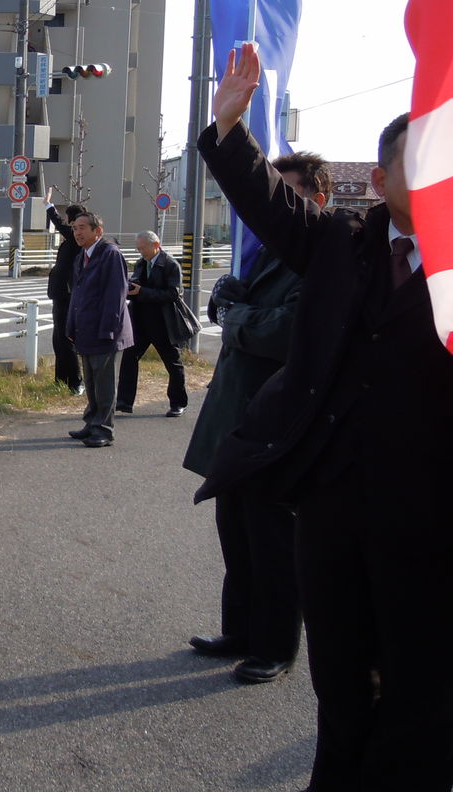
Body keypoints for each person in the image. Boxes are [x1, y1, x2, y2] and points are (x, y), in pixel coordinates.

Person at [196, 43, 453, 789]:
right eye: (424, 159)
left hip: (431, 514)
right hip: (333, 503)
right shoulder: (341, 245)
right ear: (378, 180)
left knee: (422, 689)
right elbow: (268, 204)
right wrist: (229, 125)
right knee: (338, 675)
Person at [182, 152, 331, 686]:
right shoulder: (268, 251)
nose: (271, 211)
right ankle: (240, 630)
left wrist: (234, 314)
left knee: (272, 541)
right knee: (236, 532)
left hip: (278, 424)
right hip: (239, 415)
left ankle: (275, 646)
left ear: (315, 200)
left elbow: (288, 328)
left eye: (283, 197)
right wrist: (228, 297)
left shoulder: (322, 258)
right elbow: (247, 312)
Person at [64, 210, 134, 448]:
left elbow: (116, 296)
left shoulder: (110, 255)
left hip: (106, 333)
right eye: (74, 228)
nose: (77, 232)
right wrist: (71, 325)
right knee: (92, 382)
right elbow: (77, 295)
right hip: (86, 331)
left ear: (98, 231)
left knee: (105, 384)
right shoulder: (82, 256)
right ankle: (92, 422)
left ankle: (104, 429)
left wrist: (108, 330)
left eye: (83, 227)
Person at [116, 230, 191, 417]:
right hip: (140, 320)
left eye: (143, 248)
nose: (140, 251)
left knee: (173, 363)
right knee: (129, 358)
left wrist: (142, 292)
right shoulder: (142, 263)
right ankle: (124, 402)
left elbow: (173, 294)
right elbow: (137, 284)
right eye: (138, 248)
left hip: (163, 322)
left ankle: (178, 402)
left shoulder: (170, 265)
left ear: (156, 245)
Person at [44, 187, 85, 396]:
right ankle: (62, 380)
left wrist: (49, 206)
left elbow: (59, 224)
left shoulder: (76, 235)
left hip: (67, 294)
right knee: (59, 339)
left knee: (67, 339)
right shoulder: (73, 238)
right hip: (60, 294)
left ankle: (76, 382)